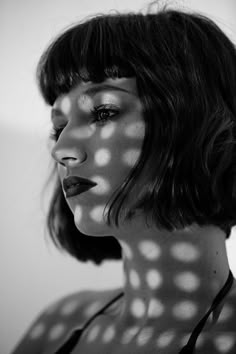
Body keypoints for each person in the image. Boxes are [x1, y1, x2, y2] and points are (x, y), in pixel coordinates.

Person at [11, 1, 236, 353]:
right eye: (58, 127)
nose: (61, 148)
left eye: (103, 111)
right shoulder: (58, 325)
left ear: (193, 122)